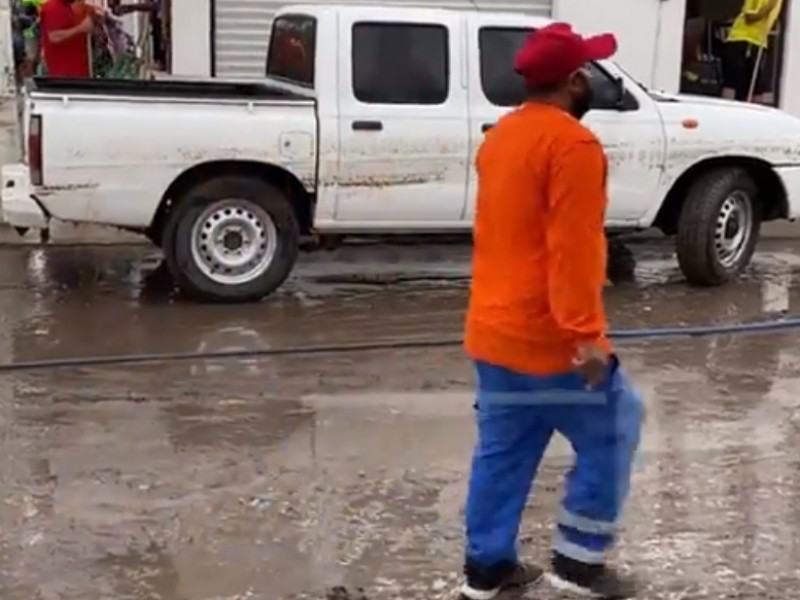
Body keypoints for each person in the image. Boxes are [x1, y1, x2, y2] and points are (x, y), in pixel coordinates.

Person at [459, 22, 644, 600]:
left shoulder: (500, 138)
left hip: (493, 334)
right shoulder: (573, 145)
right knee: (616, 427)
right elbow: (574, 248)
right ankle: (579, 562)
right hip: (552, 343)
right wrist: (586, 335)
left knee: (504, 450)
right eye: (585, 69)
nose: (589, 77)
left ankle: (486, 570)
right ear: (571, 81)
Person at [722, 0, 784, 103]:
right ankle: (724, 110)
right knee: (733, 81)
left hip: (758, 41)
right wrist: (769, 6)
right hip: (742, 38)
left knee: (753, 85)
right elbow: (749, 18)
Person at [39, 0, 94, 78]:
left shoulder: (66, 6)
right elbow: (54, 37)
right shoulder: (53, 7)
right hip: (66, 74)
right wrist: (81, 28)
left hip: (74, 71)